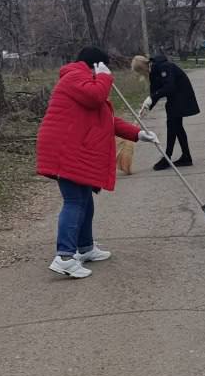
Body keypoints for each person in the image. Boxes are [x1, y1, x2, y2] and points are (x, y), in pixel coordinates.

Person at [36, 47, 158, 279]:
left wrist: (139, 134)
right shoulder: (75, 77)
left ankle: (85, 248)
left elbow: (107, 119)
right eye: (104, 67)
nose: (107, 73)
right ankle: (64, 257)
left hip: (73, 148)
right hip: (65, 149)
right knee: (74, 201)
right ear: (96, 65)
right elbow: (95, 98)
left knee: (84, 201)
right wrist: (104, 76)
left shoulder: (86, 82)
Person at [132, 53, 200, 170]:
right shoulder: (153, 71)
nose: (140, 75)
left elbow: (170, 86)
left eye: (139, 72)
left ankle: (167, 158)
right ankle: (186, 157)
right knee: (177, 127)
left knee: (172, 125)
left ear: (142, 68)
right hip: (175, 97)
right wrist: (146, 108)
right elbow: (155, 92)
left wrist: (152, 98)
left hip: (182, 95)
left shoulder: (163, 67)